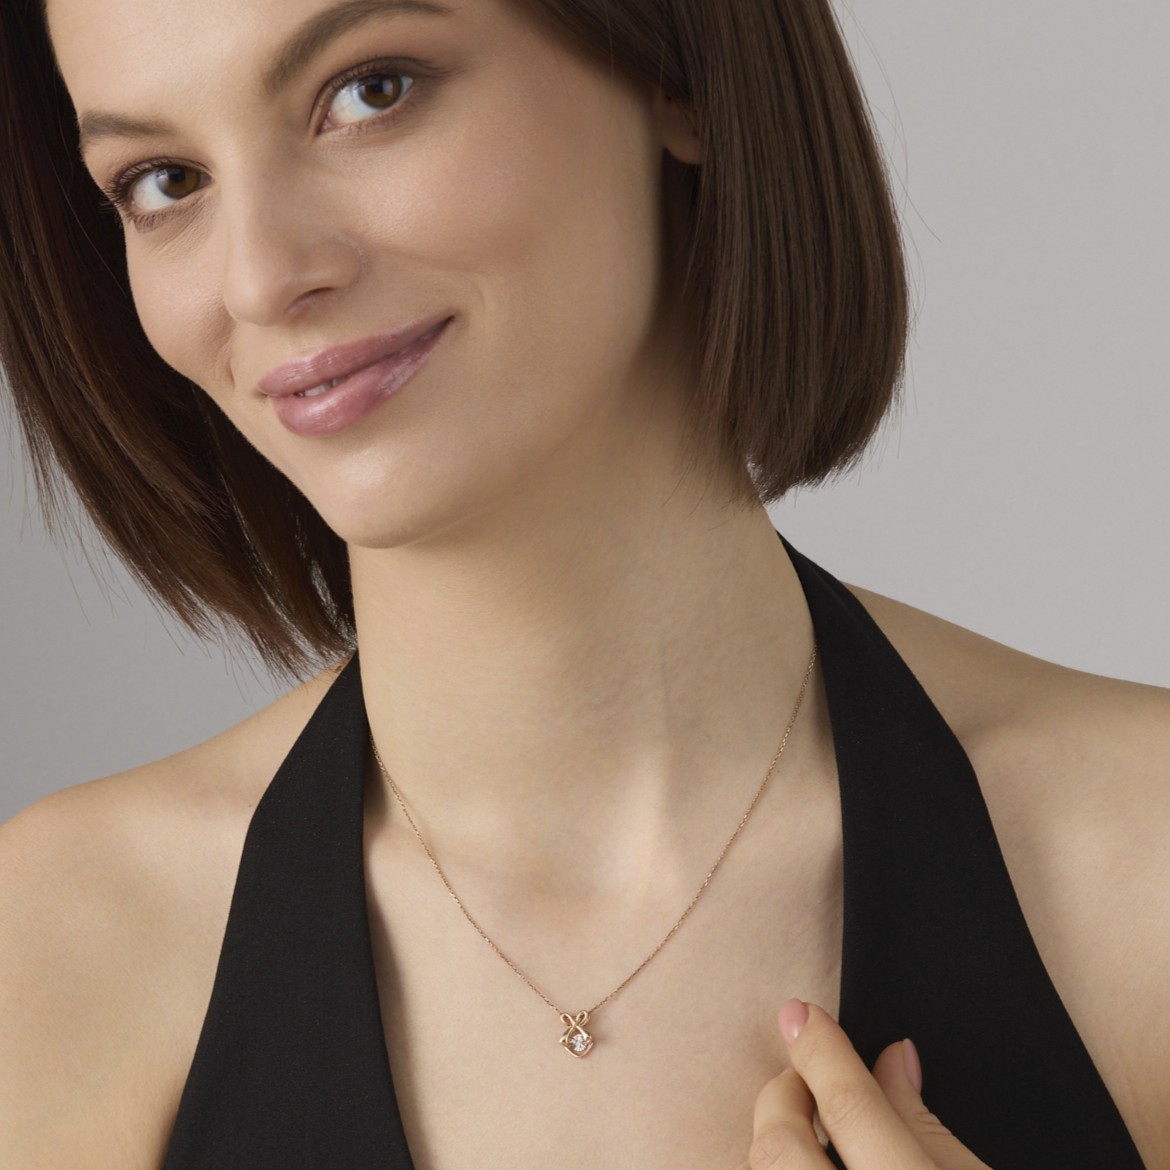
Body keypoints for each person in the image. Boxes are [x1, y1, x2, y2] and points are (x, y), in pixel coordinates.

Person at [0, 0, 1167, 1166]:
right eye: (164, 181)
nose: (260, 278)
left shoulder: (1142, 861)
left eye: (371, 91)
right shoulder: (63, 939)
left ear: (678, 69)